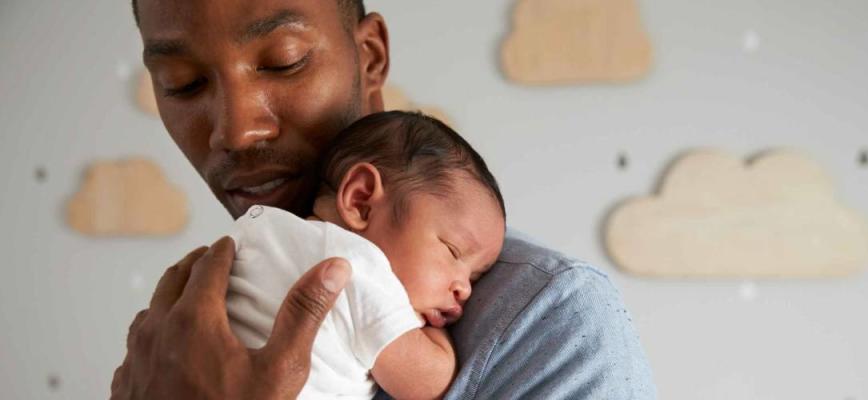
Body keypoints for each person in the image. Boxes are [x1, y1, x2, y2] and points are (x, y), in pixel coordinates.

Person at [112, 0, 656, 399]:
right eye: (181, 83)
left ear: (369, 56)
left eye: (283, 61)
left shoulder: (550, 321)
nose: (234, 131)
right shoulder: (185, 318)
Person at [227, 111, 506, 399]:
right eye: (453, 250)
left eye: (475, 276)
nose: (465, 288)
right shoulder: (359, 267)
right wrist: (432, 335)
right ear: (361, 201)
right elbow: (430, 383)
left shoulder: (258, 230)